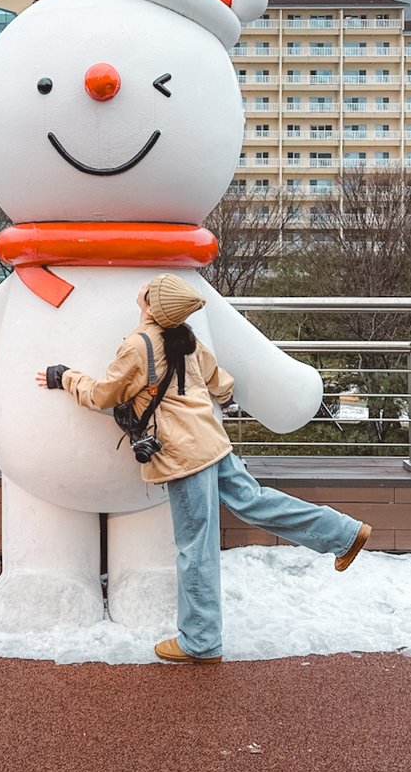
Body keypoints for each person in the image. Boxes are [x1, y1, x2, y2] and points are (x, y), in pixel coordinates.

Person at [36, 273, 371, 665]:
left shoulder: (137, 346)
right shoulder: (187, 338)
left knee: (196, 548)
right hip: (212, 442)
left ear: (149, 306)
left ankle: (200, 641)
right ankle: (344, 533)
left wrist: (65, 377)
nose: (144, 287)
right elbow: (221, 382)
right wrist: (221, 397)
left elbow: (102, 395)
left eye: (150, 289)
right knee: (256, 502)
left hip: (183, 456)